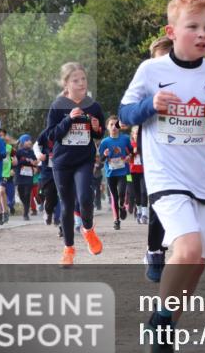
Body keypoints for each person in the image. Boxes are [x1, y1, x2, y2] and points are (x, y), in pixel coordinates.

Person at [119, 0, 205, 353]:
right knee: (187, 248)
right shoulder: (151, 72)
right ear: (172, 31)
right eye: (193, 27)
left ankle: (164, 325)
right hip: (166, 174)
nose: (203, 35)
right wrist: (151, 106)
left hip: (202, 176)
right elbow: (125, 113)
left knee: (197, 261)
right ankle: (163, 327)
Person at [43, 62, 105, 266]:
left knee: (86, 198)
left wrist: (96, 128)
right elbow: (51, 135)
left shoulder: (93, 106)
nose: (81, 83)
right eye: (75, 80)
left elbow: (99, 132)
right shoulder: (57, 105)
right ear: (66, 84)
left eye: (83, 79)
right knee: (67, 206)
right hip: (62, 162)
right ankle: (68, 249)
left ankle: (88, 229)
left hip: (84, 160)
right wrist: (68, 119)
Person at [139, 35, 173, 282]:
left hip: (185, 149)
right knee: (159, 199)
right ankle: (156, 251)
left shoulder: (193, 78)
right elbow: (127, 112)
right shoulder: (145, 81)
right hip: (154, 147)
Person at [99, 115, 132, 230]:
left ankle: (122, 206)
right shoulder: (104, 142)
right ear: (107, 127)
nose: (114, 127)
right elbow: (101, 160)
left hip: (123, 172)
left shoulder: (125, 139)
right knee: (114, 196)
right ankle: (116, 220)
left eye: (116, 124)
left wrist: (129, 156)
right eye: (111, 125)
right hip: (110, 173)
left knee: (122, 193)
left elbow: (132, 152)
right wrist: (105, 155)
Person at [12, 134, 38, 220]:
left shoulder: (31, 152)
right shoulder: (18, 152)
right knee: (21, 193)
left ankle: (25, 213)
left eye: (30, 140)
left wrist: (35, 165)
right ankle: (25, 205)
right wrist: (22, 161)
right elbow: (15, 163)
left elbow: (35, 162)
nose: (29, 142)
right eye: (27, 140)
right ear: (23, 142)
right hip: (20, 176)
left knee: (27, 194)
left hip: (28, 176)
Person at [0, 128, 14, 224]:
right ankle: (0, 212)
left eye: (2, 135)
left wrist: (12, 168)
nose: (1, 136)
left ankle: (5, 212)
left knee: (1, 191)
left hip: (5, 173)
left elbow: (15, 159)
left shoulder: (9, 148)